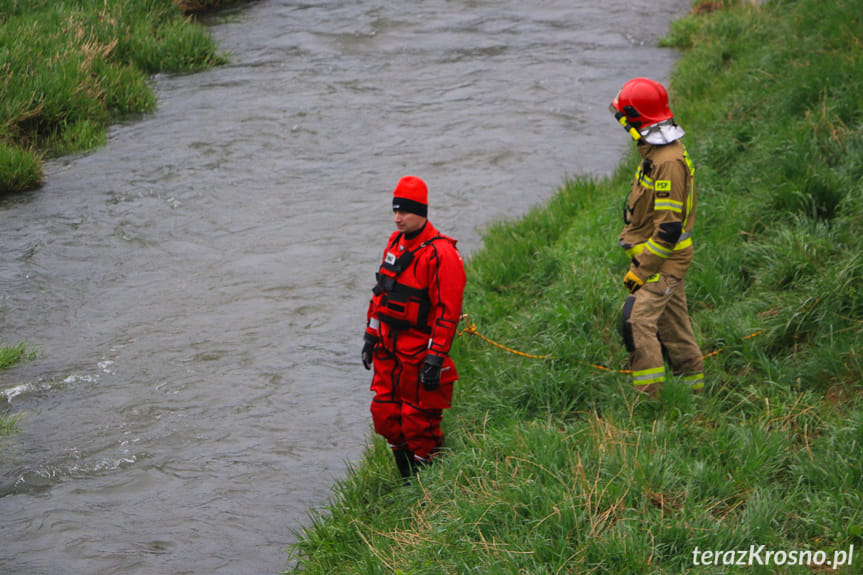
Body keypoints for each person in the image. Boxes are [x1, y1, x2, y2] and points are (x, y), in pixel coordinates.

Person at [361, 175, 466, 481]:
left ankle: (427, 489)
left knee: (417, 422)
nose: (398, 218)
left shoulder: (442, 254)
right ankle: (406, 481)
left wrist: (435, 359)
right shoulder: (394, 243)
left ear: (422, 210)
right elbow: (381, 293)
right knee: (385, 417)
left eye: (404, 211)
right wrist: (370, 336)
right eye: (395, 211)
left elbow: (448, 312)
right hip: (387, 349)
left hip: (419, 352)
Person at [609, 77, 704, 396]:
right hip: (660, 262)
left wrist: (640, 271)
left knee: (637, 322)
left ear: (638, 120)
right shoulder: (657, 151)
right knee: (673, 326)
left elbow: (668, 229)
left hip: (662, 263)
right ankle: (693, 392)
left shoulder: (667, 163)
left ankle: (652, 400)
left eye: (625, 120)